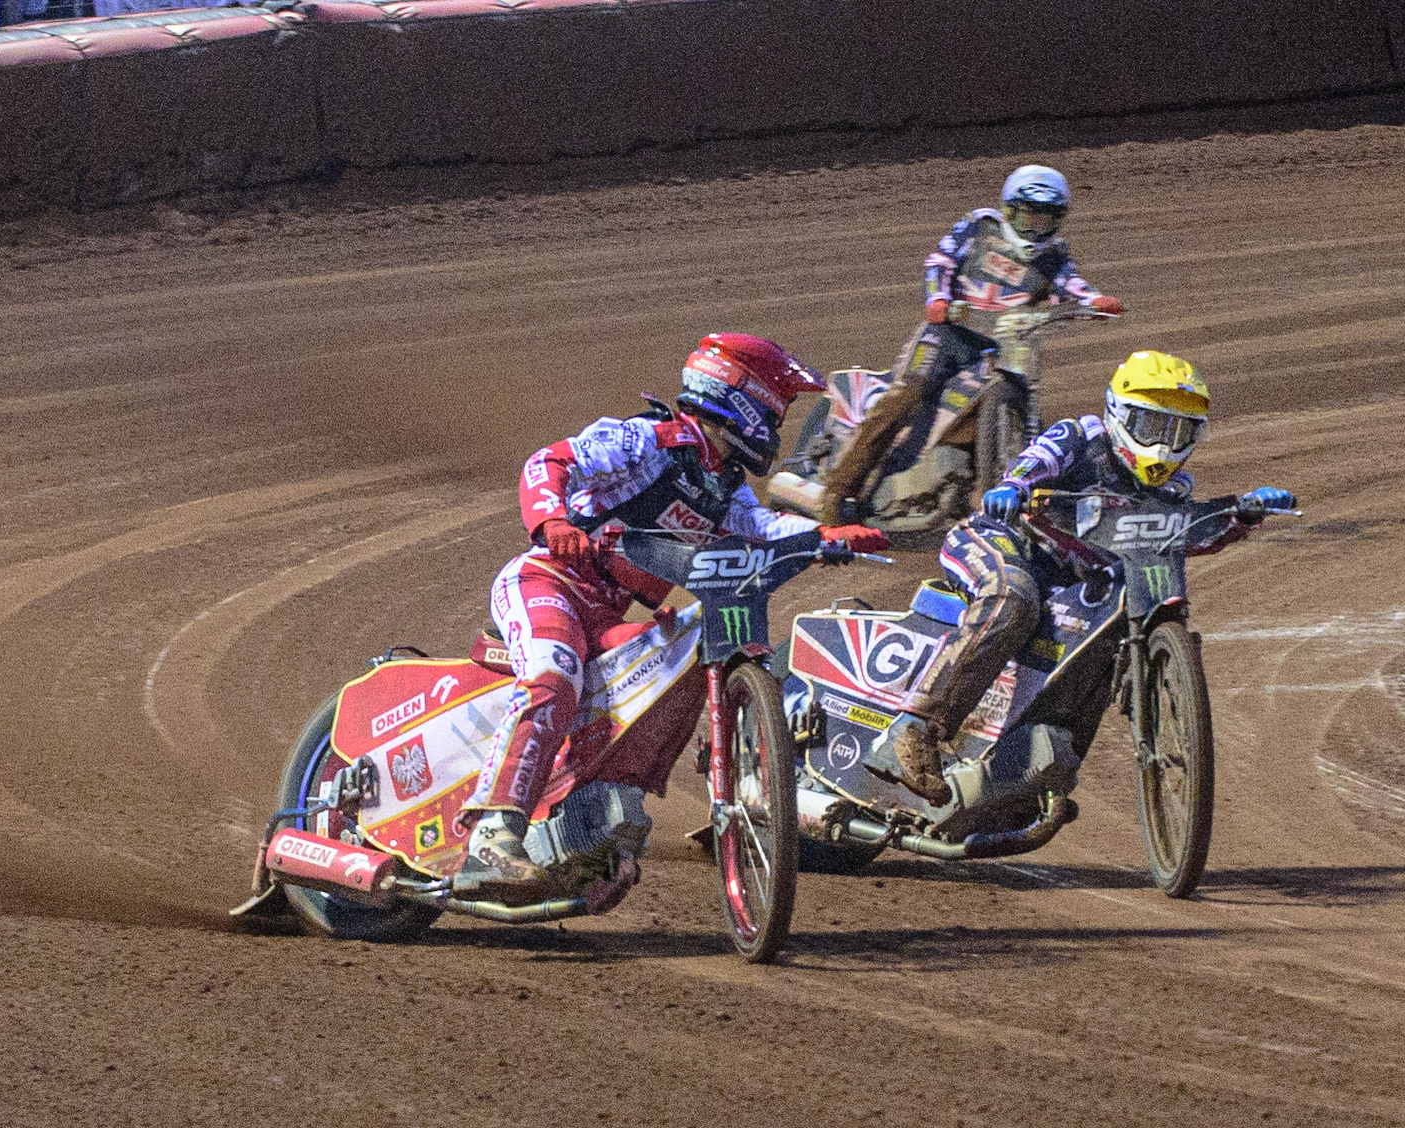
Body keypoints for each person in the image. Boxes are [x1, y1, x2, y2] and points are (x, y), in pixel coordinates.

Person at [457, 332, 890, 902]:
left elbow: (761, 531)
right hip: (547, 581)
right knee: (555, 672)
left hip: (606, 613)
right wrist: (554, 523)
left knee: (674, 662)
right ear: (740, 397)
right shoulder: (647, 441)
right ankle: (493, 835)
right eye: (775, 408)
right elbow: (551, 461)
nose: (778, 424)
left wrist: (828, 537)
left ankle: (586, 808)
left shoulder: (723, 488)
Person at [871, 350, 1294, 804]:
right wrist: (1014, 488)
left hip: (1065, 579)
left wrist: (1243, 514)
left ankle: (1035, 765)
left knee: (1107, 628)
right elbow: (1035, 462)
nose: (1164, 444)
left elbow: (1187, 536)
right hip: (1003, 539)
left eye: (1178, 431)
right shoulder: (1080, 437)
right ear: (1119, 415)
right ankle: (916, 729)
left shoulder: (1172, 491)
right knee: (1014, 596)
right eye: (1153, 427)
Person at [816, 164, 1125, 522]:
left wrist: (1095, 302)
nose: (1036, 227)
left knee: (1019, 405)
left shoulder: (1054, 255)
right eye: (1029, 216)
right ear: (1010, 209)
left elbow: (1072, 285)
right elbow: (941, 260)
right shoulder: (981, 225)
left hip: (999, 348)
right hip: (947, 333)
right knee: (907, 395)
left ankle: (990, 493)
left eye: (1046, 220)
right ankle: (839, 491)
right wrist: (937, 299)